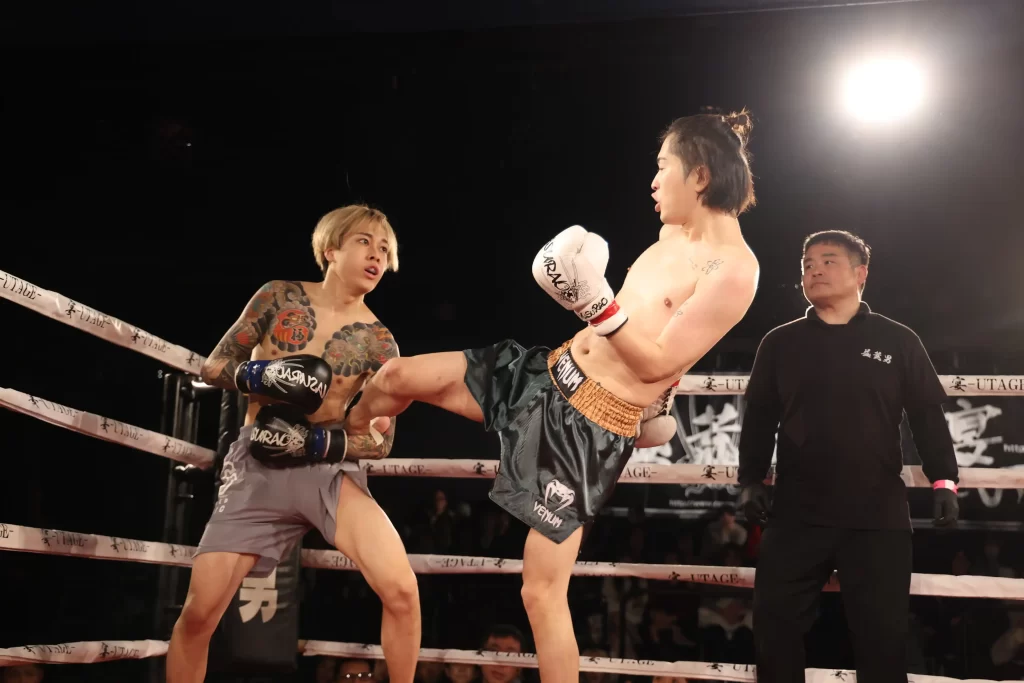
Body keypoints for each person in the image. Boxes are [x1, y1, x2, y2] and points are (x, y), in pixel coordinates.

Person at [346, 110, 761, 683]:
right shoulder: (671, 235)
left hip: (589, 429)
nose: (653, 181)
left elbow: (660, 360)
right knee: (394, 378)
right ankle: (345, 440)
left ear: (700, 175)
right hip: (545, 373)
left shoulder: (735, 269)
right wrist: (600, 309)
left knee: (540, 592)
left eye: (663, 166)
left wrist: (595, 302)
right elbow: (635, 329)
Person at [165, 205, 421, 683]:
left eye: (385, 249)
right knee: (199, 614)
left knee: (403, 591)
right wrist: (264, 375)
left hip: (328, 472)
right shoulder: (278, 297)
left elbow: (381, 441)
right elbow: (214, 366)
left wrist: (317, 442)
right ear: (331, 249)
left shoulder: (379, 342)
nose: (377, 255)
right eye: (365, 242)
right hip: (259, 462)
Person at [736, 229, 960, 682]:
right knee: (774, 629)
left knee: (883, 640)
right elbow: (758, 419)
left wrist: (944, 481)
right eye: (807, 264)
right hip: (796, 513)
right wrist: (750, 480)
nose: (814, 270)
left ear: (861, 274)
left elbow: (927, 417)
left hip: (876, 515)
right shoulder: (779, 342)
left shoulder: (897, 340)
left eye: (828, 261)